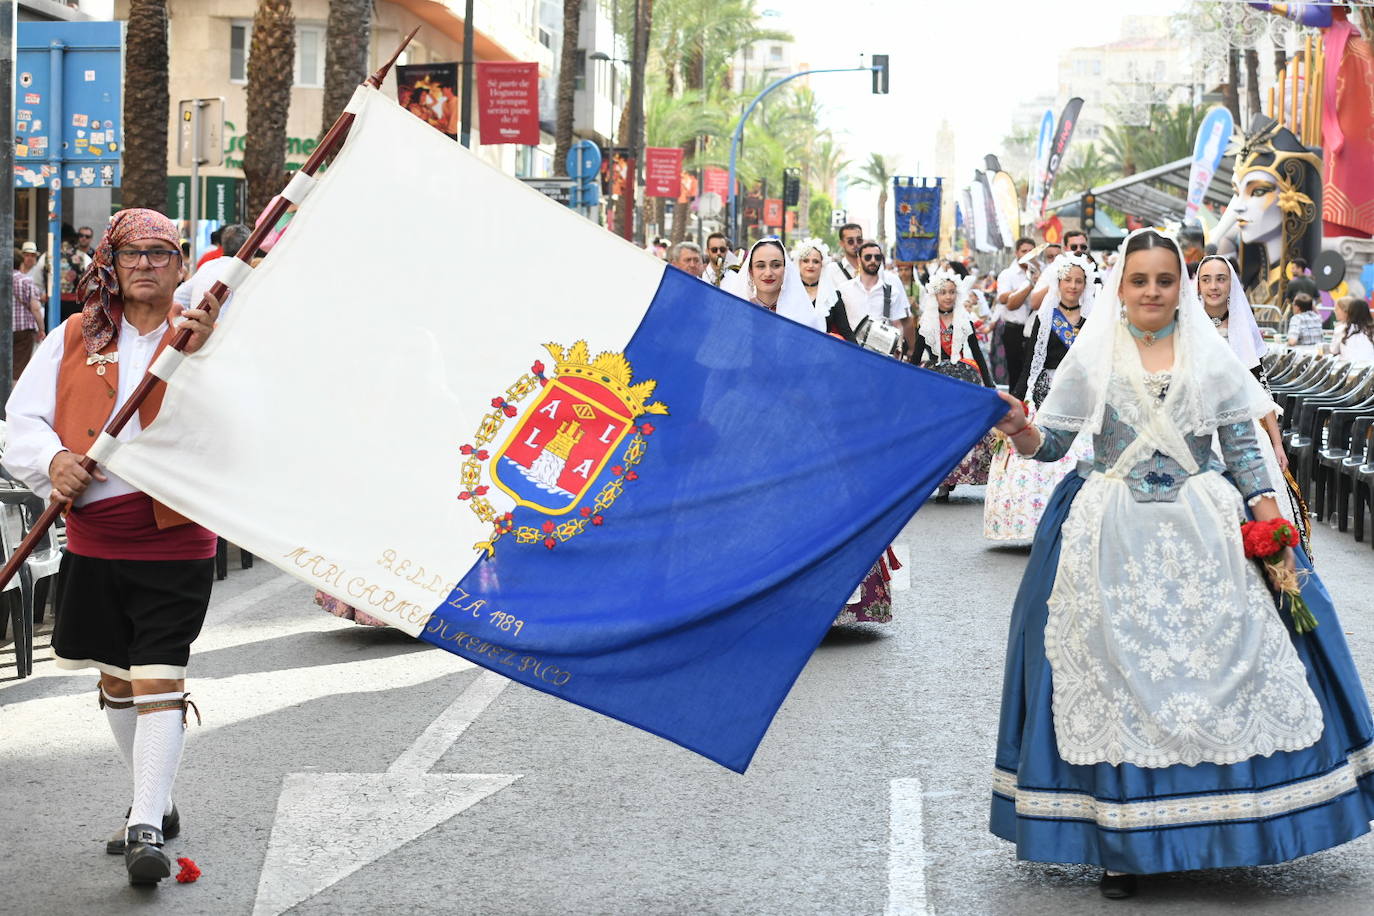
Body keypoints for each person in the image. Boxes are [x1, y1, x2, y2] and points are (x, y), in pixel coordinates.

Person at [989, 228, 1374, 900]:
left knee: (1227, 665)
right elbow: (1051, 442)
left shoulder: (1211, 355)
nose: (1151, 292)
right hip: (1110, 532)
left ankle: (1229, 827)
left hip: (1206, 532)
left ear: (1182, 286)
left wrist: (1271, 530)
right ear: (1123, 286)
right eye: (1140, 281)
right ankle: (1121, 844)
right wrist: (1018, 425)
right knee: (1116, 677)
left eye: (1165, 281)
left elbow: (1245, 451)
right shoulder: (1094, 353)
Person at [2, 208, 223, 886]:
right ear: (111, 267)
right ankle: (156, 796)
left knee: (159, 677)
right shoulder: (73, 337)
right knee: (117, 681)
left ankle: (144, 827)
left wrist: (215, 353)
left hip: (176, 534)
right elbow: (21, 421)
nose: (147, 265)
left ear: (181, 265)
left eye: (161, 254)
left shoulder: (207, 339)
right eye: (133, 254)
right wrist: (55, 458)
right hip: (93, 540)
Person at [984, 254, 1093, 543]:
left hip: (1082, 398)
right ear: (1058, 283)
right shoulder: (1045, 319)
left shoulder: (1092, 323)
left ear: (1085, 285)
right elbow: (1030, 364)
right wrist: (1016, 401)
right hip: (1047, 395)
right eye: (1067, 280)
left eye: (1078, 281)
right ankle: (1038, 523)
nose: (1072, 285)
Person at [1195, 255, 1290, 497]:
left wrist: (1277, 444)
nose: (1213, 286)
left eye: (1221, 279)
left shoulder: (1241, 329)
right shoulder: (1186, 326)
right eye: (1206, 280)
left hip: (1241, 425)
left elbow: (1260, 387)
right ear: (1198, 285)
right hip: (1194, 424)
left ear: (1231, 284)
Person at [912, 268, 995, 497]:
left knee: (960, 428)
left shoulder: (964, 320)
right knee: (935, 429)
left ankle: (955, 474)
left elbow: (977, 353)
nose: (947, 296)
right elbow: (917, 356)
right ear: (934, 296)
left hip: (961, 376)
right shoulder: (926, 323)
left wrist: (988, 383)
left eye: (951, 292)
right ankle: (940, 478)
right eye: (942, 292)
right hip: (933, 379)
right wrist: (907, 381)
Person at [838, 241, 914, 354]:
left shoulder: (892, 292)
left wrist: (899, 348)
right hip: (850, 351)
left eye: (877, 257)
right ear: (859, 259)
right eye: (868, 257)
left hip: (881, 354)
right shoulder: (844, 289)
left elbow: (898, 325)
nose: (873, 260)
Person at [173, 223, 252, 316]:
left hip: (198, 327)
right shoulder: (246, 273)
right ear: (249, 248)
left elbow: (177, 297)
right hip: (224, 329)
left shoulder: (208, 266)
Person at [994, 238, 1037, 385]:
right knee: (1015, 372)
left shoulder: (1041, 270)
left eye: (1031, 251)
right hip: (1014, 330)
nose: (1028, 254)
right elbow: (1003, 299)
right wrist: (1026, 287)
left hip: (1035, 330)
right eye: (1024, 251)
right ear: (1017, 253)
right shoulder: (1008, 274)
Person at [792, 238, 845, 337]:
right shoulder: (787, 293)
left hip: (823, 350)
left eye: (815, 261)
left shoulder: (833, 296)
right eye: (806, 261)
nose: (810, 265)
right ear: (799, 263)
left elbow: (845, 331)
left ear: (822, 265)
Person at [11, 249, 45, 378]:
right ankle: (12, 395)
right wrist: (41, 329)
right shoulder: (25, 280)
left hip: (4, 328)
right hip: (23, 329)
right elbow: (35, 308)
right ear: (20, 263)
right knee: (19, 368)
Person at [1330, 297, 1374, 365]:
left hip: (1347, 371)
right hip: (1369, 371)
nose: (1335, 311)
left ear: (1349, 312)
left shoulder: (1341, 329)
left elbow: (1333, 350)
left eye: (1337, 309)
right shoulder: (1371, 329)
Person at [21, 241, 46, 305]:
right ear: (22, 256)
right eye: (27, 255)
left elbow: (43, 294)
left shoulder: (39, 270)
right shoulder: (17, 270)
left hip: (35, 307)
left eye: (33, 256)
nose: (30, 258)